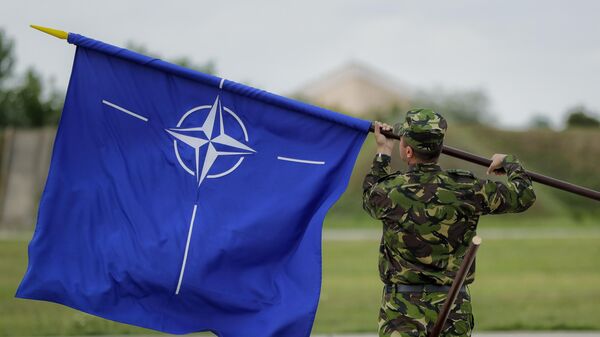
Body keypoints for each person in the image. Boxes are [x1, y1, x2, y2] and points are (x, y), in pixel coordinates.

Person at [362, 108, 536, 337]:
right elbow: (523, 196)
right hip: (453, 307)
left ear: (407, 150)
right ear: (439, 147)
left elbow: (369, 197)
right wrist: (509, 162)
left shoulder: (390, 191)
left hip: (401, 312)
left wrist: (383, 152)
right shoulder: (466, 188)